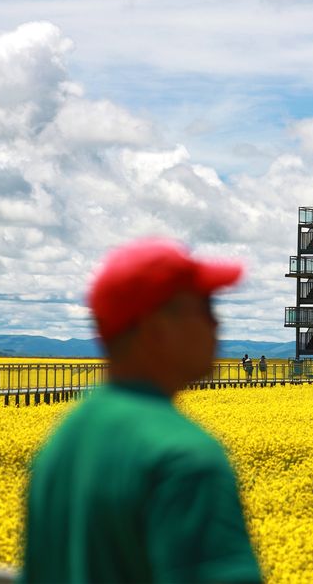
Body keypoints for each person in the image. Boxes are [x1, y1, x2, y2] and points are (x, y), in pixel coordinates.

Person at [21, 238, 262, 584]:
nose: (217, 325)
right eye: (206, 308)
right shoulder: (183, 457)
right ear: (156, 328)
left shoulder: (62, 440)